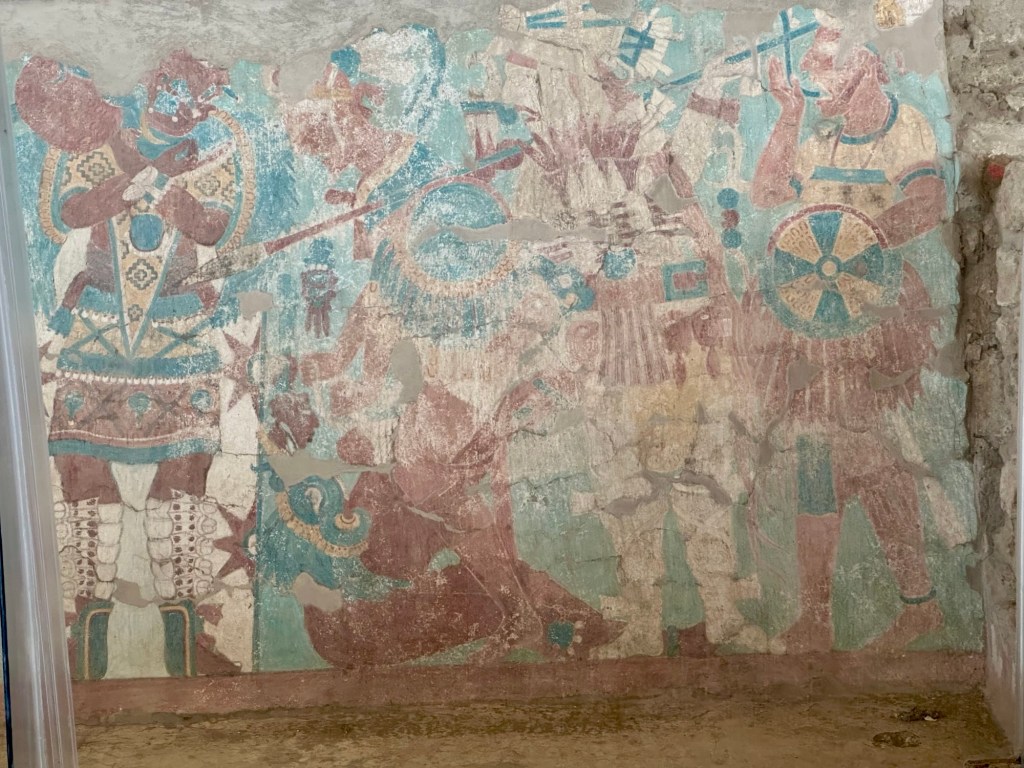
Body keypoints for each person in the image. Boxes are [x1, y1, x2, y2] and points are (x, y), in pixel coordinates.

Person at [18, 52, 251, 677]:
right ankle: (87, 632)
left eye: (192, 99)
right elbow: (67, 212)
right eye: (170, 93)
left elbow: (214, 226)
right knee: (84, 481)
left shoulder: (211, 150)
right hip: (98, 327)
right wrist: (128, 182)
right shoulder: (98, 138)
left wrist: (168, 189)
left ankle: (183, 636)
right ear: (147, 87)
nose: (179, 108)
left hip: (177, 331)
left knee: (183, 485)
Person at [746, 18, 948, 652]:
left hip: (876, 319)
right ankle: (818, 617)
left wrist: (859, 237)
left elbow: (928, 204)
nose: (814, 86)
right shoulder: (821, 139)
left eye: (825, 72)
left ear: (865, 68)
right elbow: (766, 192)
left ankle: (917, 602)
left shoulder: (906, 126)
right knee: (817, 460)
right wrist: (787, 116)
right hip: (819, 321)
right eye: (810, 76)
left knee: (874, 456)